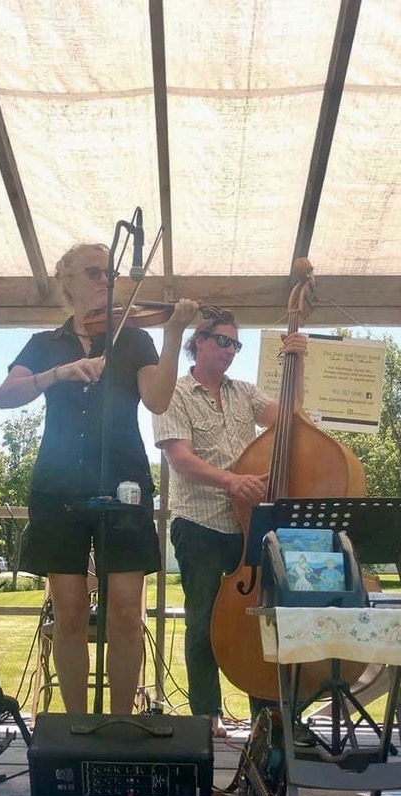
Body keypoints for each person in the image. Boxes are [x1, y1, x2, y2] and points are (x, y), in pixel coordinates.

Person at [0, 242, 193, 715]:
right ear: (66, 280)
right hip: (57, 485)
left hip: (123, 480)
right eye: (93, 272)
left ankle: (123, 723)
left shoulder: (133, 339)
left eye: (111, 273)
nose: (106, 280)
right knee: (67, 612)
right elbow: (6, 395)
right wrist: (57, 374)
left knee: (126, 611)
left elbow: (159, 400)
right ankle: (77, 725)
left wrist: (172, 336)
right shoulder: (45, 344)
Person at [153, 310, 307, 736]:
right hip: (198, 523)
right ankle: (206, 716)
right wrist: (232, 481)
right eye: (223, 342)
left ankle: (267, 715)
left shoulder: (244, 392)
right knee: (202, 621)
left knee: (257, 618)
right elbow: (180, 460)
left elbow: (292, 420)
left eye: (235, 345)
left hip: (247, 523)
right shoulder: (174, 392)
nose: (230, 351)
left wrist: (296, 364)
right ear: (198, 342)